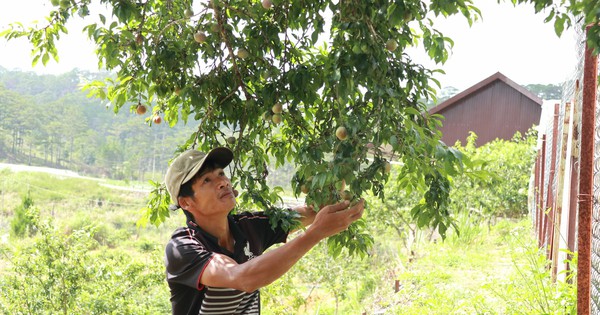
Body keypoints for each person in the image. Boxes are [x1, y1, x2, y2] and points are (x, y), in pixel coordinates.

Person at [164, 147, 365, 315]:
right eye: (206, 180)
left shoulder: (248, 225)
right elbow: (242, 278)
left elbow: (311, 212)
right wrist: (315, 233)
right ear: (186, 202)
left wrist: (339, 177)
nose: (223, 182)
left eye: (221, 174)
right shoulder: (183, 247)